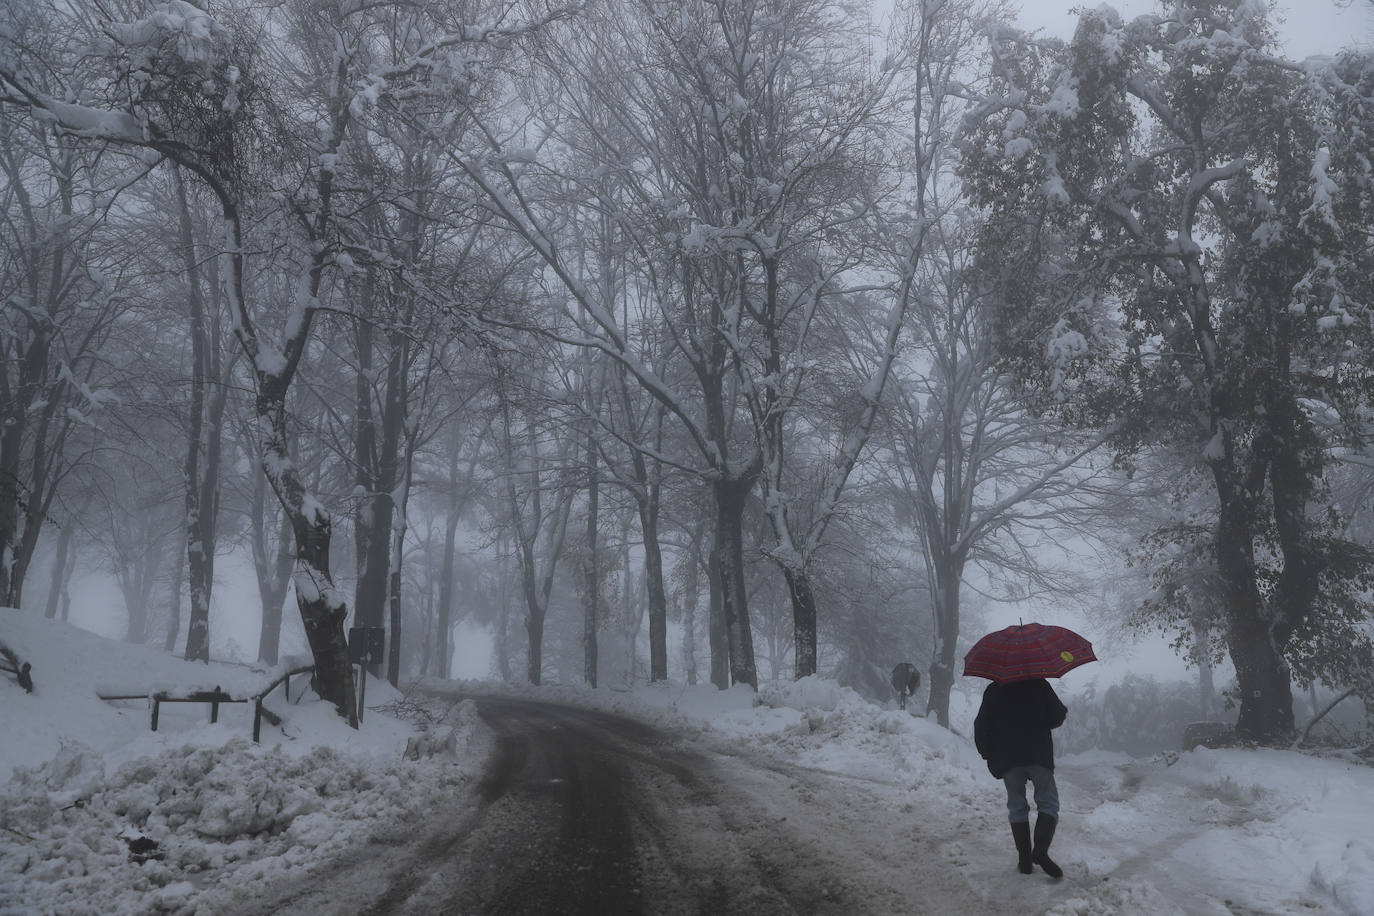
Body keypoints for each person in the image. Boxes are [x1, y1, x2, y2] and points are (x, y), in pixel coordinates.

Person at [973, 677, 1068, 878]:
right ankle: (1040, 850)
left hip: (1008, 758)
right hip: (1038, 753)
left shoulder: (994, 690)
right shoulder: (1039, 684)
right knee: (1048, 803)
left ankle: (1024, 860)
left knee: (1016, 806)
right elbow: (1058, 716)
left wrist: (986, 752)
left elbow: (981, 725)